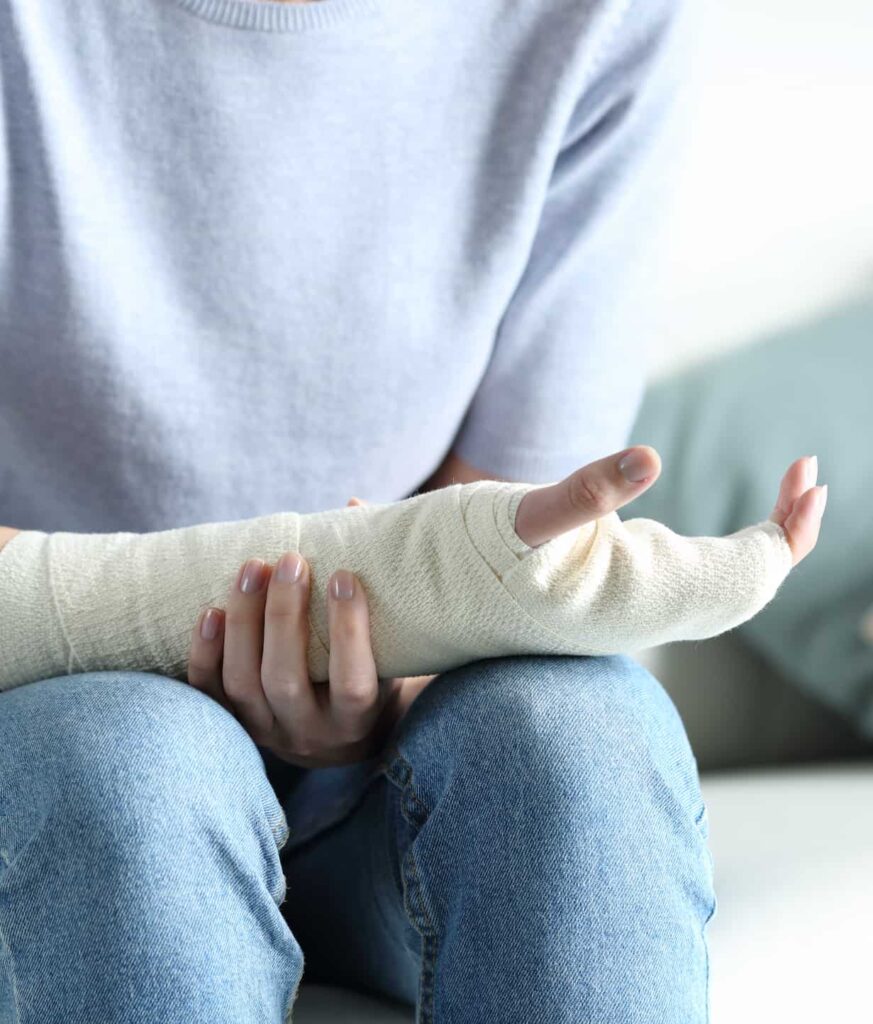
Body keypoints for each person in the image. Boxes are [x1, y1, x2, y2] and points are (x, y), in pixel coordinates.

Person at [0, 0, 821, 1021]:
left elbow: (506, 552)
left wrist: (379, 679)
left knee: (580, 741)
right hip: (56, 724)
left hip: (412, 729)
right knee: (122, 768)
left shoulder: (603, 20)